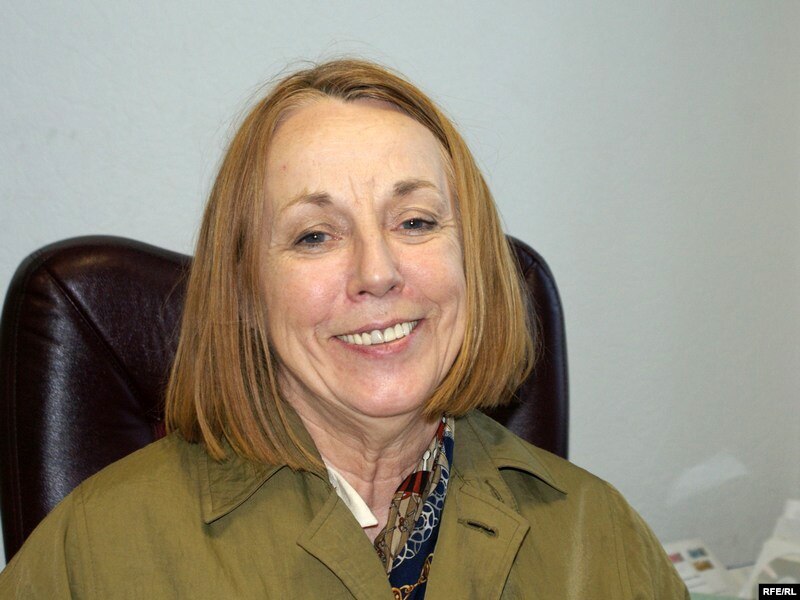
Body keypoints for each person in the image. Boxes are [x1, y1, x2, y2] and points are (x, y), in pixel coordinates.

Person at [0, 59, 688, 599]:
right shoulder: (93, 551)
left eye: (415, 222)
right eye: (315, 235)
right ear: (246, 287)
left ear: (473, 261)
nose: (377, 273)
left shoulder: (599, 537)